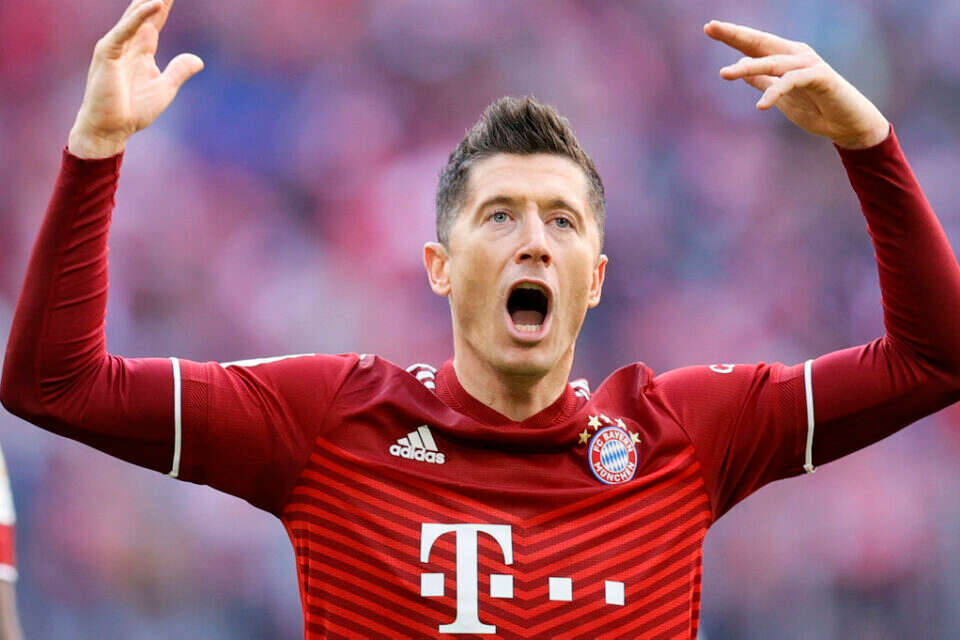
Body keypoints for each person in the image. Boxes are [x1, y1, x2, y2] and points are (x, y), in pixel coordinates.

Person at [2, 0, 959, 637]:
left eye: (562, 222)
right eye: (499, 216)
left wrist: (868, 142)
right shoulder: (330, 419)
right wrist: (96, 150)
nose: (533, 242)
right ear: (439, 268)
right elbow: (54, 384)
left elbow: (936, 358)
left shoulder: (680, 432)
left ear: (595, 279)